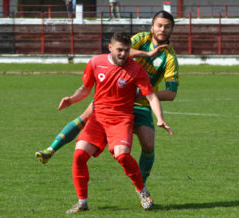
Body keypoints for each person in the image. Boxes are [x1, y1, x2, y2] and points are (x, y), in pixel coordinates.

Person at [36, 11, 179, 185]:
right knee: (86, 116)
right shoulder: (142, 38)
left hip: (141, 103)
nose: (162, 29)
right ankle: (51, 150)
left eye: (167, 26)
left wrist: (145, 94)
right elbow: (121, 49)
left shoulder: (169, 58)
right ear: (152, 26)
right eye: (159, 25)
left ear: (172, 29)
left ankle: (141, 185)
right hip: (114, 96)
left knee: (148, 144)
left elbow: (171, 93)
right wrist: (147, 55)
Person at [59, 32, 173, 213]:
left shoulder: (136, 70)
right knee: (79, 154)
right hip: (98, 119)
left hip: (121, 120)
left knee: (122, 155)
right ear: (110, 48)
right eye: (119, 50)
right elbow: (85, 88)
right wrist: (72, 99)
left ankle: (142, 190)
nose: (123, 54)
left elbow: (151, 97)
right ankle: (82, 202)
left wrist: (160, 118)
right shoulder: (96, 63)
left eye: (126, 51)